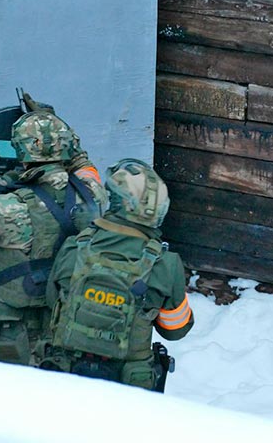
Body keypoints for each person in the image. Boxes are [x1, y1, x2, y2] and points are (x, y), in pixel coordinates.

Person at [0, 111, 107, 365]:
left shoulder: (7, 207)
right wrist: (59, 134)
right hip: (64, 322)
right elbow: (84, 167)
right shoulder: (93, 195)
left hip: (11, 329)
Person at [43, 158, 194, 391]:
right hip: (127, 384)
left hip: (65, 375)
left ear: (115, 201)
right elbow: (176, 329)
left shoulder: (75, 246)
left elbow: (51, 301)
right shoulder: (167, 264)